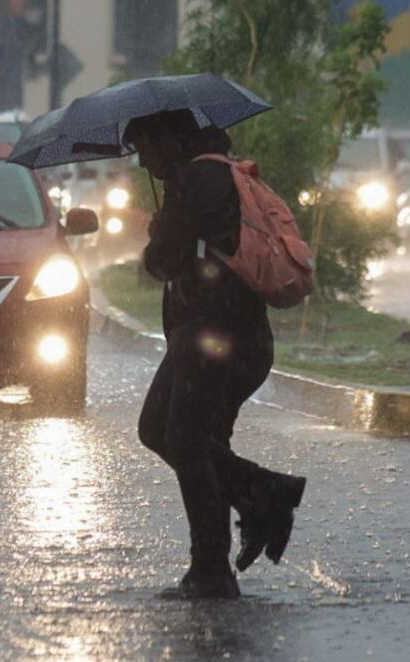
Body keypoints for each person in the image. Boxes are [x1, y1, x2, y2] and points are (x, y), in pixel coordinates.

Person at [126, 110, 307, 599]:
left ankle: (212, 568)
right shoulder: (222, 171)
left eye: (143, 147)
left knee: (183, 438)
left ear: (167, 139)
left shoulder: (194, 180)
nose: (142, 159)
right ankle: (259, 500)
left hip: (212, 340)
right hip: (236, 340)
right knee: (173, 434)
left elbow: (163, 262)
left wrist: (159, 234)